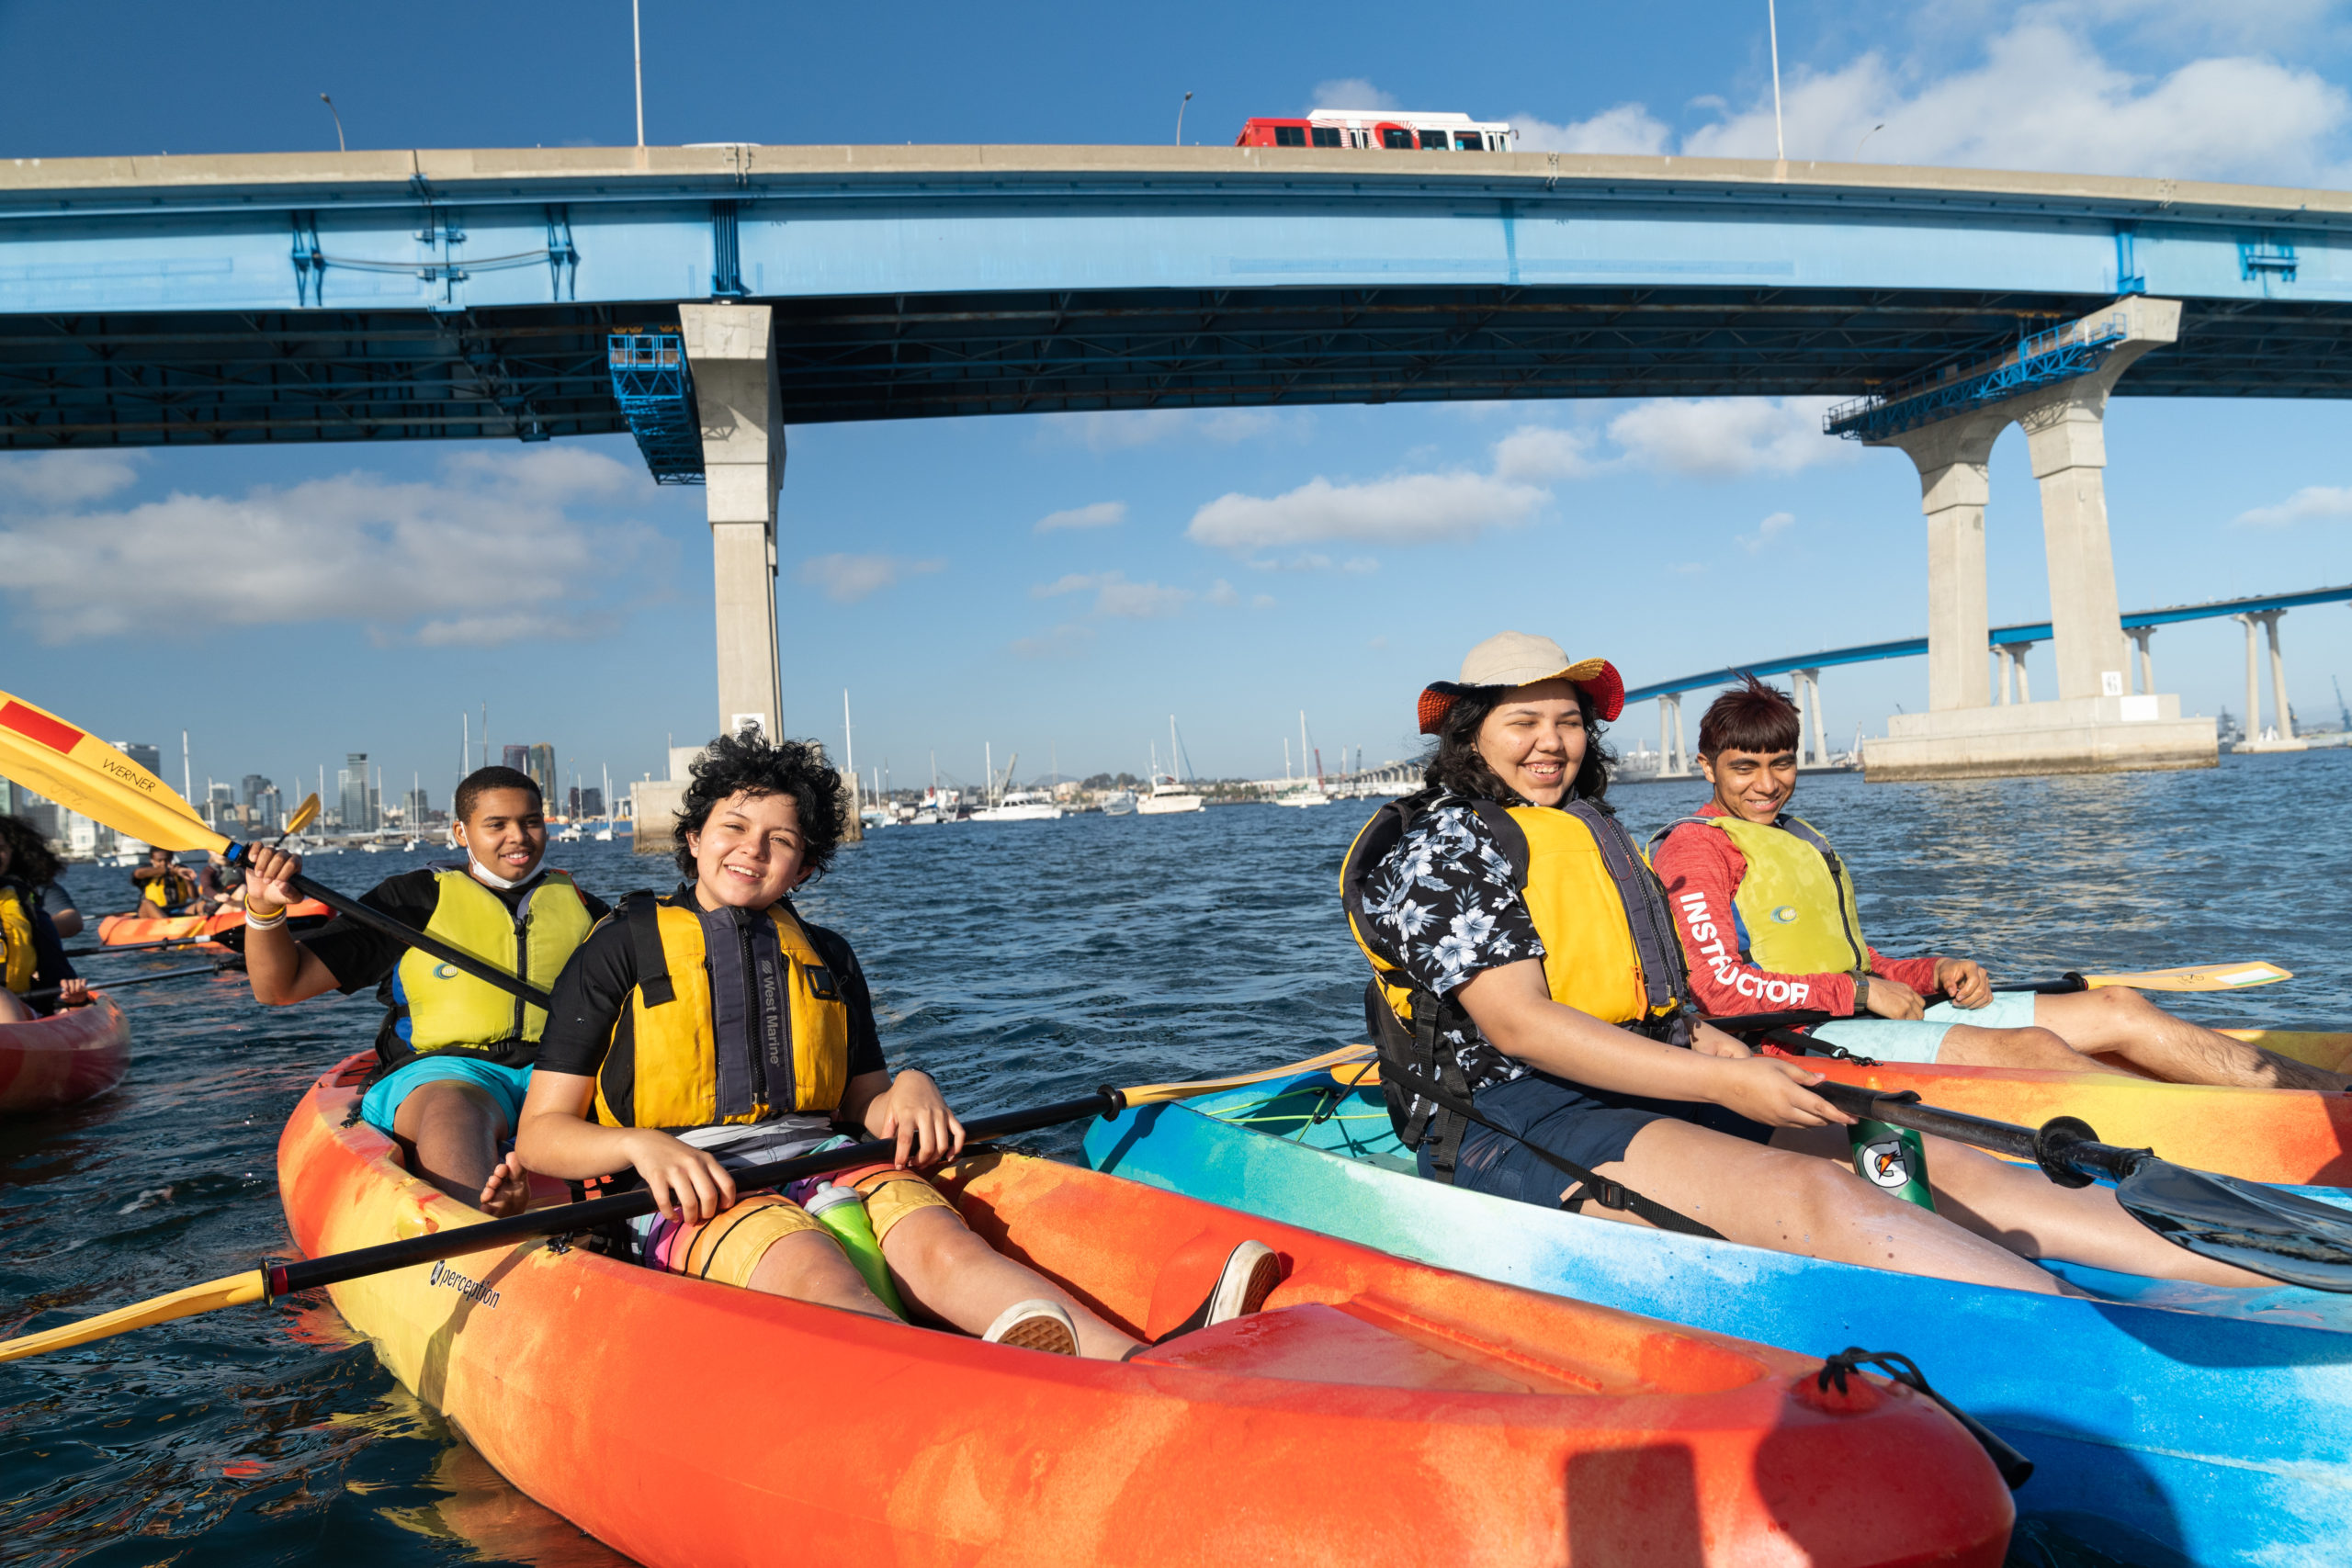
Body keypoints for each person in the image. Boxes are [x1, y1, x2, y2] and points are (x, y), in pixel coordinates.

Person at [1340, 630, 2277, 1295]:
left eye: (1568, 722)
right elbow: (1520, 1024)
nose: (1551, 743)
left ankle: (2259, 1275)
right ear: (1468, 733)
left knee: (1925, 1161)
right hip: (1512, 1110)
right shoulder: (1441, 844)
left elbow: (1652, 996)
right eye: (1522, 723)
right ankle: (2095, 1347)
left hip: (1648, 1072)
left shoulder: (1584, 829)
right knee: (1823, 1194)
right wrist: (1730, 1084)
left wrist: (1721, 1054)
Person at [518, 729, 1276, 1357]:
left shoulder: (829, 955)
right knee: (813, 1268)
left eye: (780, 841)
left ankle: (1146, 1363)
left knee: (948, 1250)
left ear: (805, 865)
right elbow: (543, 1136)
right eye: (733, 829)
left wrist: (905, 1085)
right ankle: (949, 1386)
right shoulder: (618, 947)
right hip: (688, 1192)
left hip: (824, 1158)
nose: (752, 851)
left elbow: (859, 1096)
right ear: (693, 837)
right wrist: (644, 1147)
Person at [1651, 675, 2347, 1091]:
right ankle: (2223, 1141)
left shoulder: (1799, 838)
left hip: (1865, 1010)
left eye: (1781, 763)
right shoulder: (1697, 847)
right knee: (2039, 1052)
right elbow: (1720, 988)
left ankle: (2330, 1099)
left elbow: (1853, 959)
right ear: (1708, 767)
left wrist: (1935, 970)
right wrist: (1860, 992)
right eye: (1745, 767)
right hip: (1792, 1041)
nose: (1767, 784)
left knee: (2119, 1008)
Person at [241, 766, 605, 1217]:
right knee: (454, 1111)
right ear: (461, 832)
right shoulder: (409, 902)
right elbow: (281, 986)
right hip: (449, 1073)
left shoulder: (588, 908)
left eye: (531, 821)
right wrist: (263, 909)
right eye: (497, 824)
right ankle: (483, 1225)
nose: (519, 837)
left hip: (559, 1073)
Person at [0, 815, 88, 1022]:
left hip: (17, 1010)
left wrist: (71, 999)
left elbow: (56, 971)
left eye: (1, 848)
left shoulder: (25, 904)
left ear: (13, 852)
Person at [131, 846, 200, 917]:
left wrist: (188, 879)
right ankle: (165, 923)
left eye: (167, 860)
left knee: (202, 905)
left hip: (179, 909)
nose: (163, 863)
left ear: (171, 858)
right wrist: (172, 870)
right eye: (159, 861)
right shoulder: (147, 872)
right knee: (146, 903)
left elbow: (194, 897)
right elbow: (137, 874)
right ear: (152, 860)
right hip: (154, 911)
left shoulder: (181, 869)